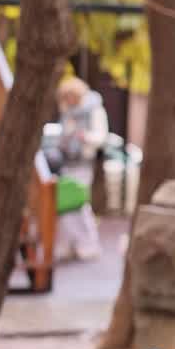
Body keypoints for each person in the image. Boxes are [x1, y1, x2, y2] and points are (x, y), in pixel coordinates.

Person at [52, 76, 108, 261]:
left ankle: (88, 244)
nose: (68, 101)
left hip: (83, 162)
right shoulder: (67, 113)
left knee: (78, 204)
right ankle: (68, 243)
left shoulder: (93, 110)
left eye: (70, 97)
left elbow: (101, 137)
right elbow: (62, 136)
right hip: (67, 162)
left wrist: (86, 137)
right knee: (64, 205)